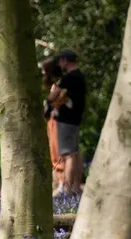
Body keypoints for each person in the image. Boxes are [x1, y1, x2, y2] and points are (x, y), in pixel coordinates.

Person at [49, 49, 86, 195]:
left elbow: (53, 95)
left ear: (65, 60)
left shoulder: (69, 78)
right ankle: (76, 187)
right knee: (75, 153)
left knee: (68, 154)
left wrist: (48, 101)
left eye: (60, 60)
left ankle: (68, 188)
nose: (59, 63)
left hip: (65, 121)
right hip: (75, 120)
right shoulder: (80, 76)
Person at [40, 57, 66, 193]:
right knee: (54, 151)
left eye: (44, 71)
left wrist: (49, 103)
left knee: (58, 150)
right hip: (52, 121)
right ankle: (60, 183)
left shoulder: (58, 87)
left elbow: (56, 103)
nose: (43, 74)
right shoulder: (55, 86)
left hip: (57, 122)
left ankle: (63, 184)